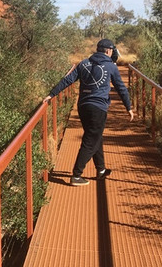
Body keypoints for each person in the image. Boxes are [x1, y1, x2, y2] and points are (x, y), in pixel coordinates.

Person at [43, 38, 134, 186]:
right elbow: (121, 88)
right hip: (98, 108)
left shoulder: (84, 63)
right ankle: (76, 175)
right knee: (90, 140)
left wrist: (52, 94)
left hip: (83, 107)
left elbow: (68, 80)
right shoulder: (110, 67)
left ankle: (101, 170)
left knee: (95, 136)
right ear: (109, 51)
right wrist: (128, 107)